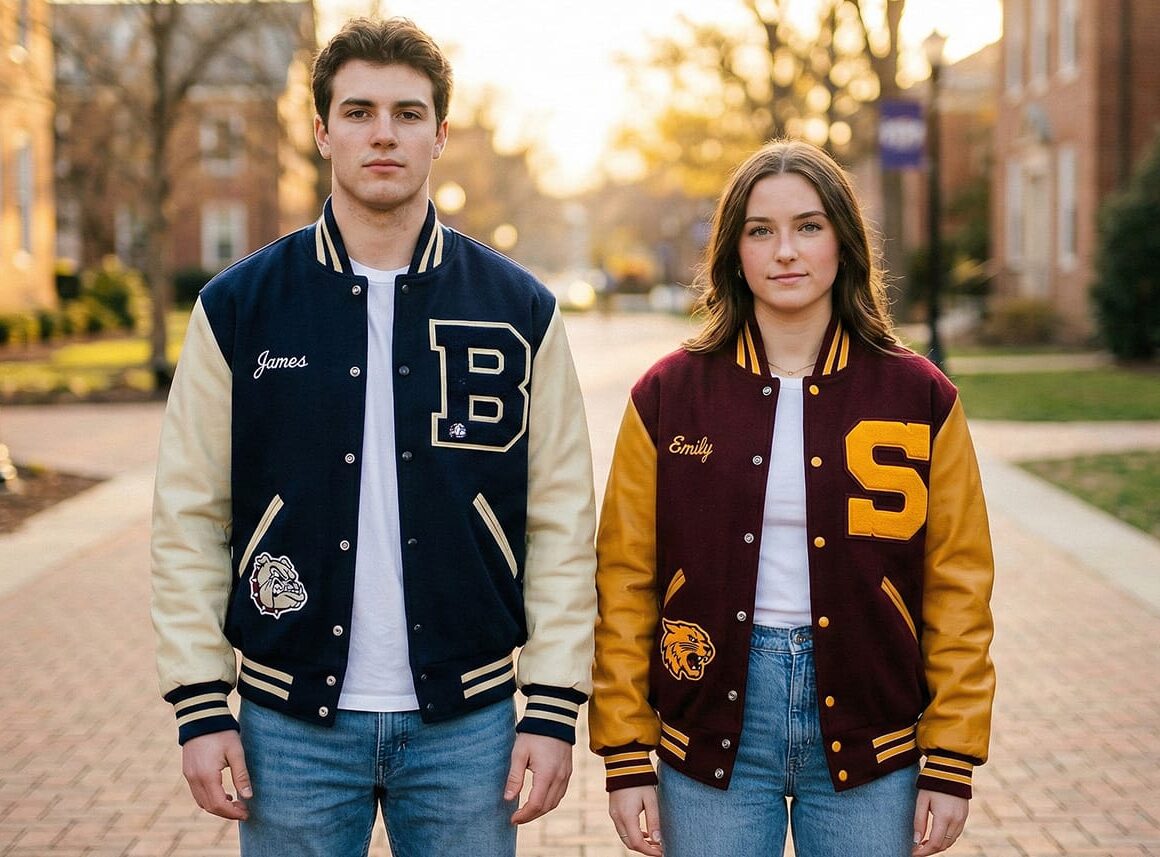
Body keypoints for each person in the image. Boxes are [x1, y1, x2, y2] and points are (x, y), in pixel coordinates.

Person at [151, 17, 597, 856]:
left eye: (406, 112)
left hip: (470, 725)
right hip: (290, 727)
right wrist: (200, 702)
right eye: (357, 112)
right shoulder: (240, 307)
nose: (382, 133)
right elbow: (189, 514)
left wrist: (553, 704)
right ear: (321, 129)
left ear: (440, 133)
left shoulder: (519, 309)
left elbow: (562, 520)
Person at [589, 140, 995, 857]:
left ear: (843, 240)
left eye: (808, 226)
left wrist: (952, 754)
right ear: (733, 251)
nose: (786, 251)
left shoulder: (919, 394)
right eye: (760, 230)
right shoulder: (667, 395)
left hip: (872, 726)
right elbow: (625, 579)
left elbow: (958, 584)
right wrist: (626, 749)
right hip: (710, 718)